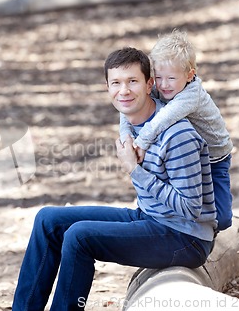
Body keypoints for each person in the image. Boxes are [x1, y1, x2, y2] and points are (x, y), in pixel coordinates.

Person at [12, 47, 217, 311]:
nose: (124, 91)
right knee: (48, 220)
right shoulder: (133, 120)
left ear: (149, 84)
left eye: (133, 81)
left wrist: (135, 170)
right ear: (107, 87)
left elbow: (190, 208)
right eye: (116, 83)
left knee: (79, 236)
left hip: (185, 237)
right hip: (151, 218)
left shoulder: (177, 136)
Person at [119, 30, 233, 232]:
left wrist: (142, 143)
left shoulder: (191, 94)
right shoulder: (164, 86)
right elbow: (129, 105)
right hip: (188, 154)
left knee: (222, 218)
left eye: (171, 78)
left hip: (215, 158)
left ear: (189, 75)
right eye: (159, 77)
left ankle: (206, 239)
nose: (163, 85)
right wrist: (125, 136)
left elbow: (163, 118)